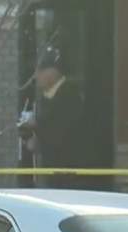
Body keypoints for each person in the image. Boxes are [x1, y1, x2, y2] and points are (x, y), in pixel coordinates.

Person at [18, 47, 94, 189]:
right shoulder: (46, 98)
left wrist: (36, 129)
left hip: (70, 174)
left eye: (39, 71)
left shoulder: (70, 96)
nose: (36, 76)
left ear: (52, 72)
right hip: (54, 173)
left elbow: (61, 132)